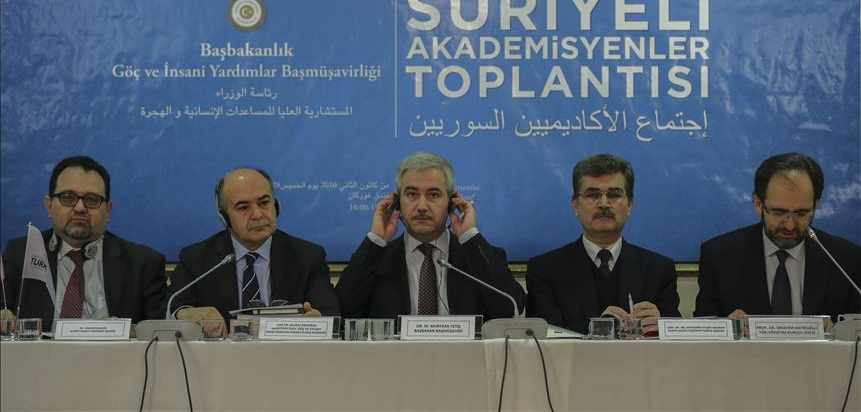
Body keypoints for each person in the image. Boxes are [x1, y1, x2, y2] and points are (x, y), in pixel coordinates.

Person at [336, 152, 525, 320]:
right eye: (411, 194)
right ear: (397, 203)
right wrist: (377, 238)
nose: (422, 206)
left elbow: (511, 310)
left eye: (433, 195)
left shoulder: (477, 256)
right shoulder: (377, 258)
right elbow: (343, 310)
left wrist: (469, 236)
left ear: (451, 203)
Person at [1, 156, 166, 331]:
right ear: (49, 206)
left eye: (92, 200)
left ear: (108, 209)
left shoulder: (142, 264)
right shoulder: (21, 254)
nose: (80, 208)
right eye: (67, 197)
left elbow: (160, 331)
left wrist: (131, 331)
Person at [526, 154, 680, 334]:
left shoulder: (659, 269)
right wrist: (600, 328)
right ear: (575, 205)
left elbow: (680, 340)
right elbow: (544, 334)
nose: (604, 204)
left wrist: (663, 327)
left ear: (630, 205)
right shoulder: (545, 270)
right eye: (593, 195)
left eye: (614, 195)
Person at [695, 153, 861, 320]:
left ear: (815, 206)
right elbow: (702, 330)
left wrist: (838, 331)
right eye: (779, 212)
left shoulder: (846, 260)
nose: (789, 225)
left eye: (801, 213)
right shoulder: (720, 257)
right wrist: (727, 328)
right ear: (758, 204)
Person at [168, 167, 339, 323]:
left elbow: (329, 311)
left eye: (264, 203)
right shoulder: (196, 260)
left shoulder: (307, 257)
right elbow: (170, 308)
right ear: (224, 217)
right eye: (243, 207)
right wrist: (185, 314)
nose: (257, 214)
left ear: (276, 206)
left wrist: (317, 319)